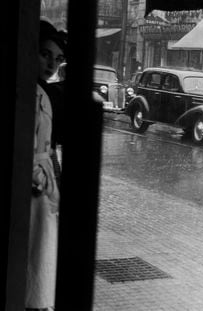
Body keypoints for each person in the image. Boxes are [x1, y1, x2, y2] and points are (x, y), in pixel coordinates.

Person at [26, 19, 66, 311]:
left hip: (45, 191)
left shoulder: (44, 94)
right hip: (34, 192)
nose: (52, 64)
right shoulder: (30, 94)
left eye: (58, 59)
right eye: (45, 54)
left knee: (40, 263)